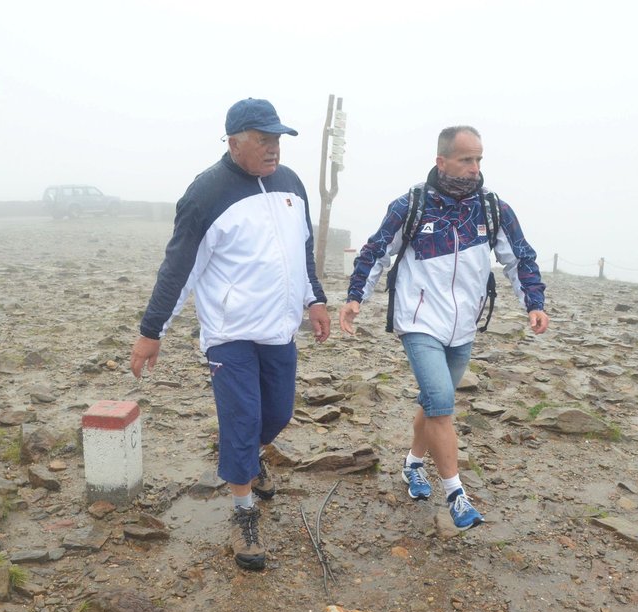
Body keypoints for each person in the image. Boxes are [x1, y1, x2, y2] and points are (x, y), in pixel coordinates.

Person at [130, 98, 331, 571]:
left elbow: (301, 252)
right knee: (241, 421)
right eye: (263, 140)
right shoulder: (207, 193)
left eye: (277, 139)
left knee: (277, 415)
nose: (273, 149)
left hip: (279, 330)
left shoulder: (290, 185)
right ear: (234, 141)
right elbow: (179, 269)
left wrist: (314, 299)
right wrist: (151, 331)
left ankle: (249, 460)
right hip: (229, 334)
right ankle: (243, 515)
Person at [339, 126, 548, 530]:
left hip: (464, 326)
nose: (474, 168)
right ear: (442, 161)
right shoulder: (412, 205)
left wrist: (534, 305)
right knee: (440, 401)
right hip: (418, 322)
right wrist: (354, 298)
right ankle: (456, 495)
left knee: (434, 402)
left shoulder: (493, 209)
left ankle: (412, 465)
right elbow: (375, 252)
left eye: (479, 160)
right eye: (466, 160)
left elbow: (520, 258)